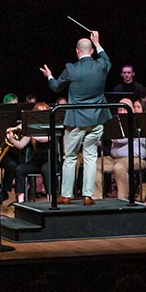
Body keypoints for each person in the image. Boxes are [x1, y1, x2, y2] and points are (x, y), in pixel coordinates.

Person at [42, 29, 111, 205]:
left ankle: (66, 194)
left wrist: (49, 76)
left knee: (71, 157)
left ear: (77, 51)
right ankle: (88, 195)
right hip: (96, 120)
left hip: (76, 121)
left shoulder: (71, 69)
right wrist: (97, 42)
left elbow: (56, 87)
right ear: (92, 51)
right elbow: (107, 59)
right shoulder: (101, 65)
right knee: (90, 157)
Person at [97, 97, 146, 200]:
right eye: (119, 109)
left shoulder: (135, 122)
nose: (121, 111)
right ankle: (97, 197)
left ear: (131, 109)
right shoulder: (115, 122)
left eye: (124, 108)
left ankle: (123, 199)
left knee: (119, 167)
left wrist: (113, 136)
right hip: (114, 158)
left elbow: (123, 139)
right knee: (95, 164)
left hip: (135, 159)